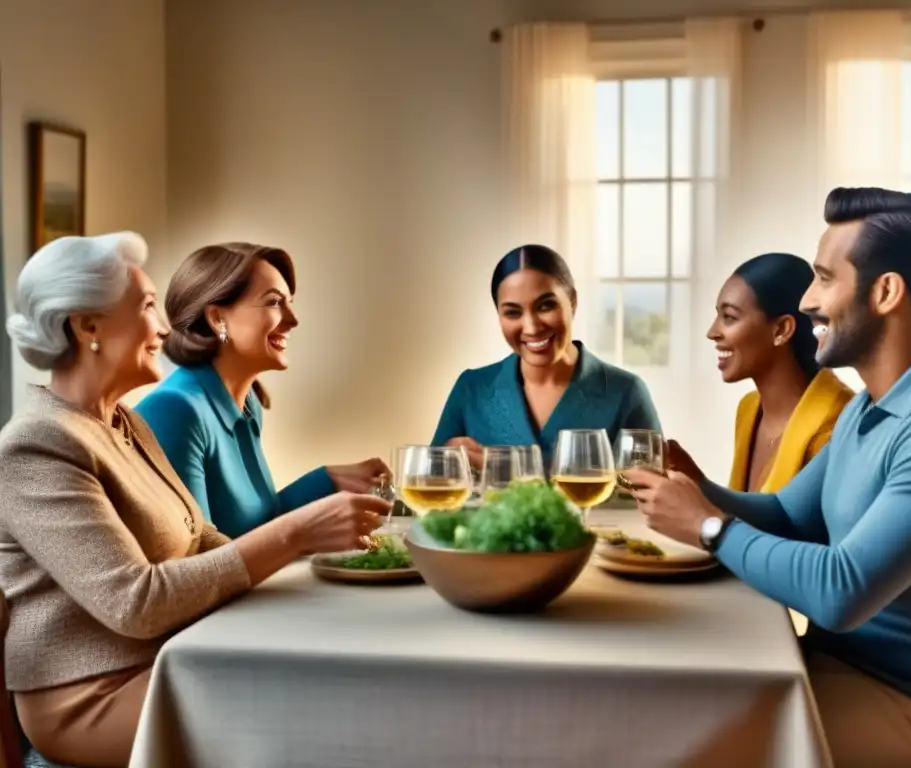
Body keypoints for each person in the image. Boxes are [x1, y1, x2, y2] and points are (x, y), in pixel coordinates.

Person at [625, 188, 911, 767]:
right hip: (839, 668)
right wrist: (696, 485)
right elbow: (789, 514)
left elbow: (841, 592)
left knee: (682, 736)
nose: (808, 300)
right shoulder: (871, 405)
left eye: (824, 279)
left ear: (886, 292)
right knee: (664, 686)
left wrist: (710, 527)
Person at [0, 233, 389, 767]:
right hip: (88, 699)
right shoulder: (37, 444)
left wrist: (306, 589)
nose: (165, 328)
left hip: (166, 659)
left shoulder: (124, 423)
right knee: (308, 710)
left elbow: (201, 536)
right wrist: (294, 533)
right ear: (87, 325)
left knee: (334, 672)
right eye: (148, 308)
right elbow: (134, 604)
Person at [135, 243, 388, 539]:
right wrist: (310, 528)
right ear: (217, 318)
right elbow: (199, 561)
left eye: (289, 302)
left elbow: (253, 527)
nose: (293, 320)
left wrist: (328, 481)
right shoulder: (174, 411)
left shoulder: (247, 403)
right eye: (273, 302)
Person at [431, 244, 661, 469]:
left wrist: (504, 468)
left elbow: (654, 493)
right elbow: (427, 487)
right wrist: (448, 461)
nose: (531, 327)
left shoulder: (626, 392)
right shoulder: (471, 389)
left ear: (572, 302)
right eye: (512, 312)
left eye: (545, 306)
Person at [695, 252, 853, 492]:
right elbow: (744, 517)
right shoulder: (749, 410)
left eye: (729, 317)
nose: (712, 332)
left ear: (781, 329)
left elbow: (811, 528)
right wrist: (694, 484)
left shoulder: (837, 424)